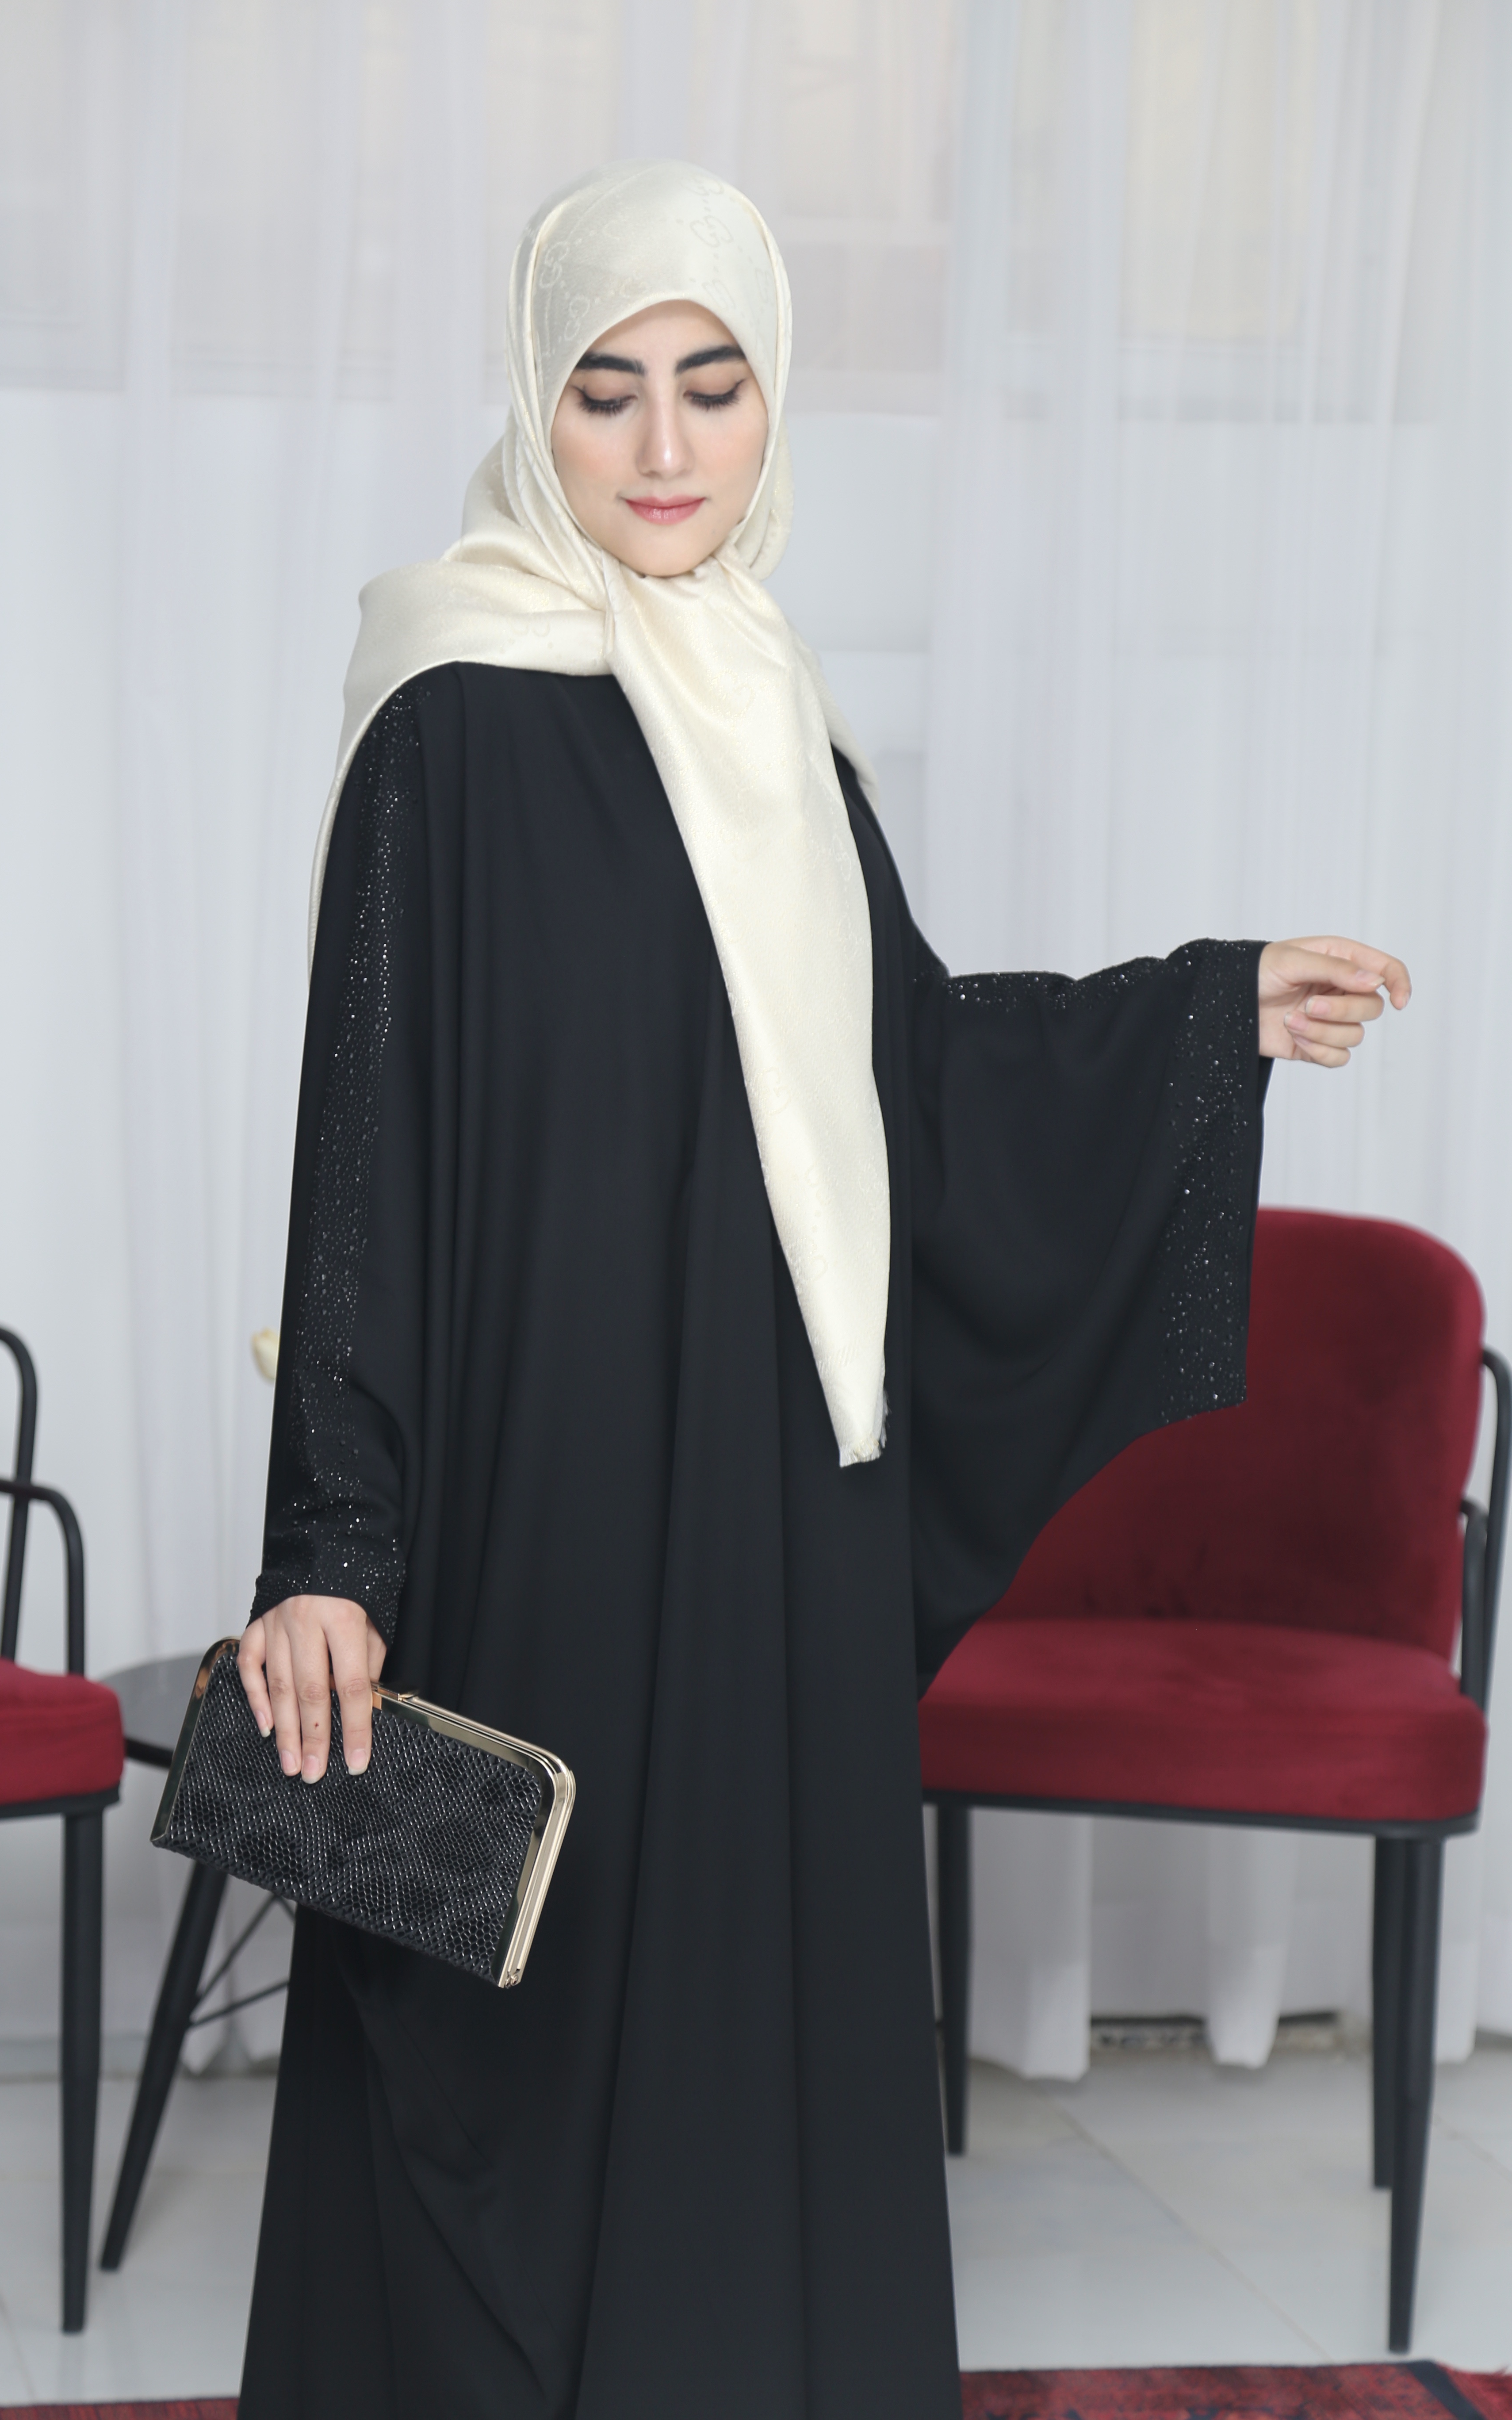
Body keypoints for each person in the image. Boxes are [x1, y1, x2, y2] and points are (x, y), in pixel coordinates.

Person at [234, 161, 1409, 2420]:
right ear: (535, 403)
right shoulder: (446, 717)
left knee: (746, 2013)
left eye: (717, 383)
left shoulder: (783, 718)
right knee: (513, 2020)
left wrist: (1207, 1016)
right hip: (544, 1498)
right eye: (607, 390)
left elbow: (908, 1079)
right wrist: (332, 1553)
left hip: (782, 1506)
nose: (666, 446)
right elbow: (361, 1153)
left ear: (776, 402)